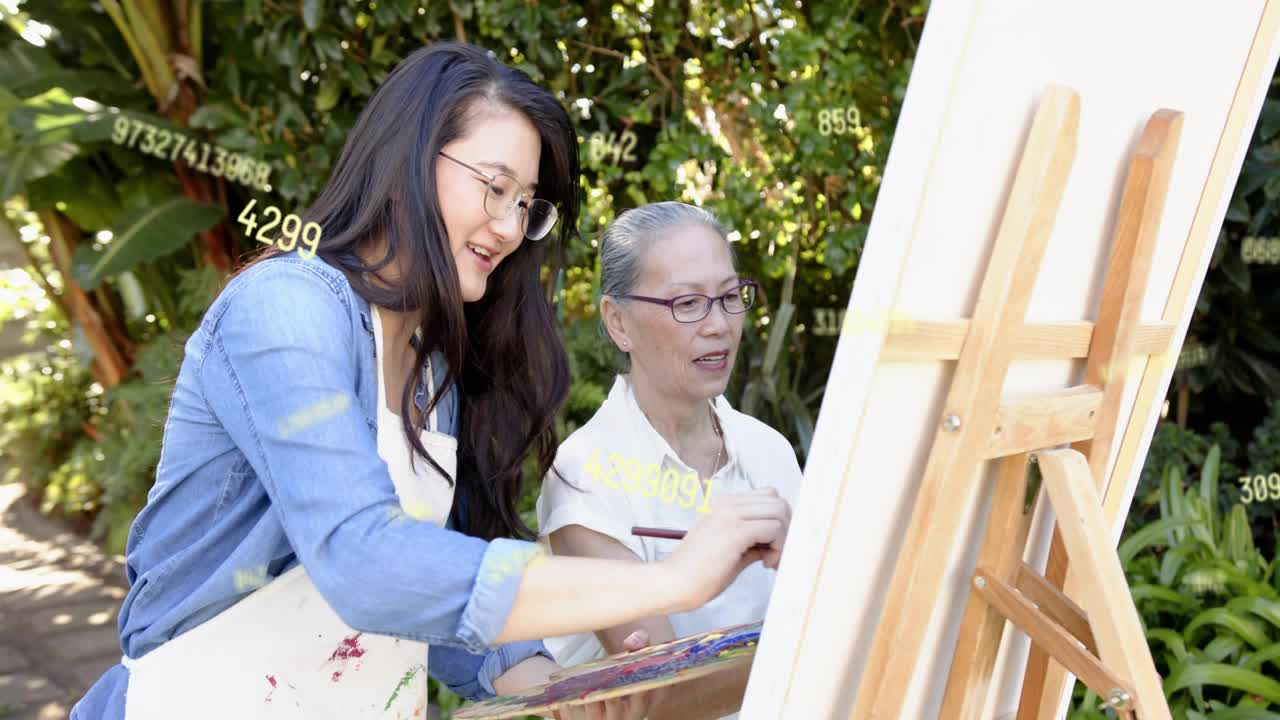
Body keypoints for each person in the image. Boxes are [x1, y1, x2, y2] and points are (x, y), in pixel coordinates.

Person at [72, 45, 790, 720]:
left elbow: (434, 600)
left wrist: (560, 691)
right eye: (495, 187)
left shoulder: (434, 367)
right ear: (410, 160)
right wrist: (672, 580)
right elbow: (365, 560)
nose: (510, 226)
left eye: (525, 204)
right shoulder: (285, 308)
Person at [536, 202, 805, 720]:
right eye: (688, 304)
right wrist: (821, 632)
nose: (720, 326)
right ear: (619, 323)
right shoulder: (584, 474)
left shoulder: (769, 449)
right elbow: (665, 696)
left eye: (730, 297)